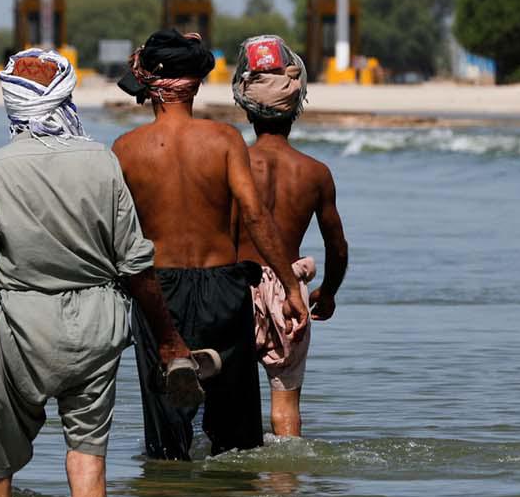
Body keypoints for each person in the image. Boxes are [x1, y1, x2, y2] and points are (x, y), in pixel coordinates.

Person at [0, 49, 199, 497]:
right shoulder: (102, 162)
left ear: (12, 106)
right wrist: (170, 342)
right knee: (87, 456)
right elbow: (136, 265)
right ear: (65, 99)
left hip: (24, 326)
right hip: (101, 324)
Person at [112, 30, 309, 461]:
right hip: (222, 290)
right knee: (236, 440)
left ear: (151, 87)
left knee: (167, 442)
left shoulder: (125, 149)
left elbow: (116, 236)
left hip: (158, 292)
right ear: (197, 84)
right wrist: (292, 289)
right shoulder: (224, 140)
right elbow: (256, 218)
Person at [232, 34, 349, 438]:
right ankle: (286, 485)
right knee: (286, 406)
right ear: (296, 108)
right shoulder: (314, 172)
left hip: (235, 286)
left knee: (225, 401)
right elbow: (337, 245)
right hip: (288, 291)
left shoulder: (233, 163)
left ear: (245, 107)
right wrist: (328, 291)